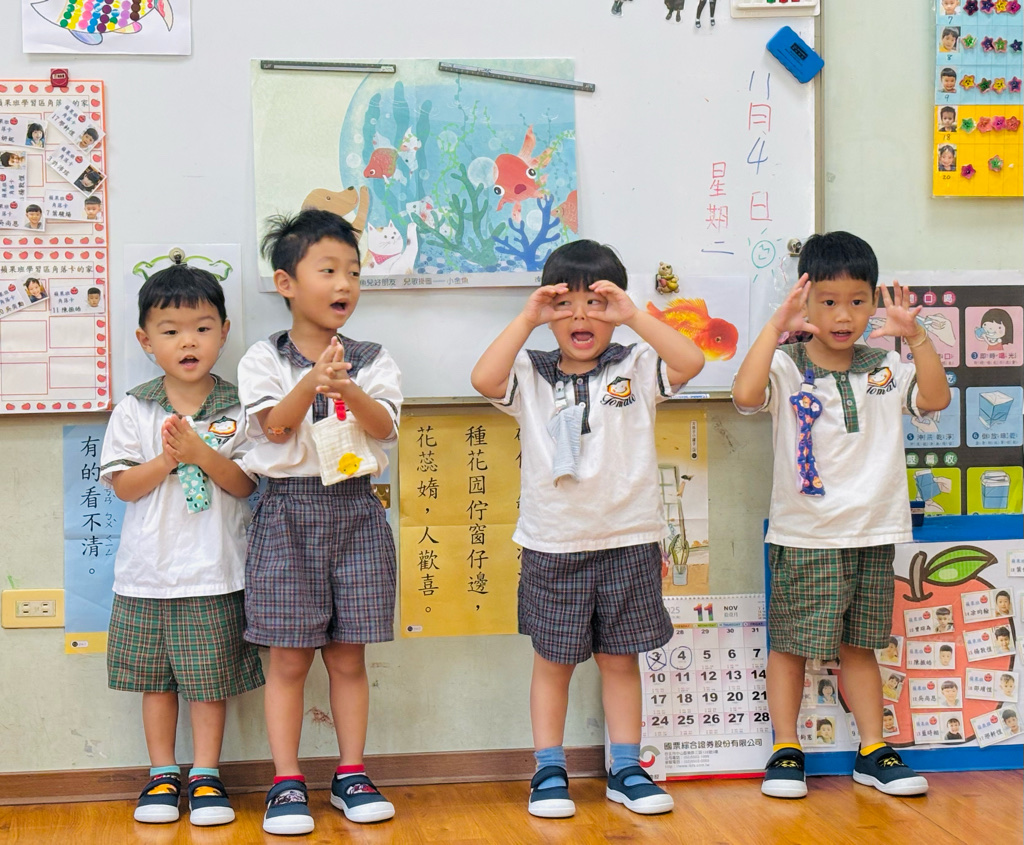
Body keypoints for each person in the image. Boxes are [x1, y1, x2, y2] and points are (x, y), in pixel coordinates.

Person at [472, 239, 705, 819]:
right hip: (553, 543)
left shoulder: (637, 364)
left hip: (629, 539)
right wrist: (526, 318)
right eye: (565, 304)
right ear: (548, 310)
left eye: (596, 303)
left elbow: (691, 363)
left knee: (621, 660)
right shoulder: (529, 372)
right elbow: (483, 379)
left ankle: (626, 768)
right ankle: (549, 768)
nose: (581, 316)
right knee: (553, 662)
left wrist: (634, 315)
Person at [733, 231, 949, 800]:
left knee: (861, 645)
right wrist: (774, 329)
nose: (843, 315)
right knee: (791, 645)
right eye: (828, 301)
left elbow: (934, 400)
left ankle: (873, 750)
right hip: (807, 534)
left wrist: (917, 336)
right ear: (805, 301)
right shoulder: (787, 365)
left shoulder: (885, 367)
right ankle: (785, 748)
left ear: (874, 302)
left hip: (874, 531)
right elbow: (746, 395)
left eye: (857, 301)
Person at [237, 209, 403, 836]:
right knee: (287, 659)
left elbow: (384, 428)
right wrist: (313, 380)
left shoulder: (373, 358)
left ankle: (351, 773)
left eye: (353, 272)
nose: (344, 284)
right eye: (328, 270)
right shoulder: (263, 358)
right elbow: (275, 427)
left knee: (348, 655)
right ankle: (286, 780)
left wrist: (348, 386)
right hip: (286, 511)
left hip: (356, 509)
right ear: (286, 283)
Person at [98, 261, 264, 827]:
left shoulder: (241, 407)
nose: (187, 341)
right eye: (170, 331)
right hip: (147, 573)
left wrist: (200, 453)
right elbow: (124, 487)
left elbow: (245, 485)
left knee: (210, 682)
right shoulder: (134, 408)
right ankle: (162, 773)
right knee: (156, 681)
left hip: (216, 570)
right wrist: (168, 459)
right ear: (146, 341)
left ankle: (207, 773)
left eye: (202, 327)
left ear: (223, 331)